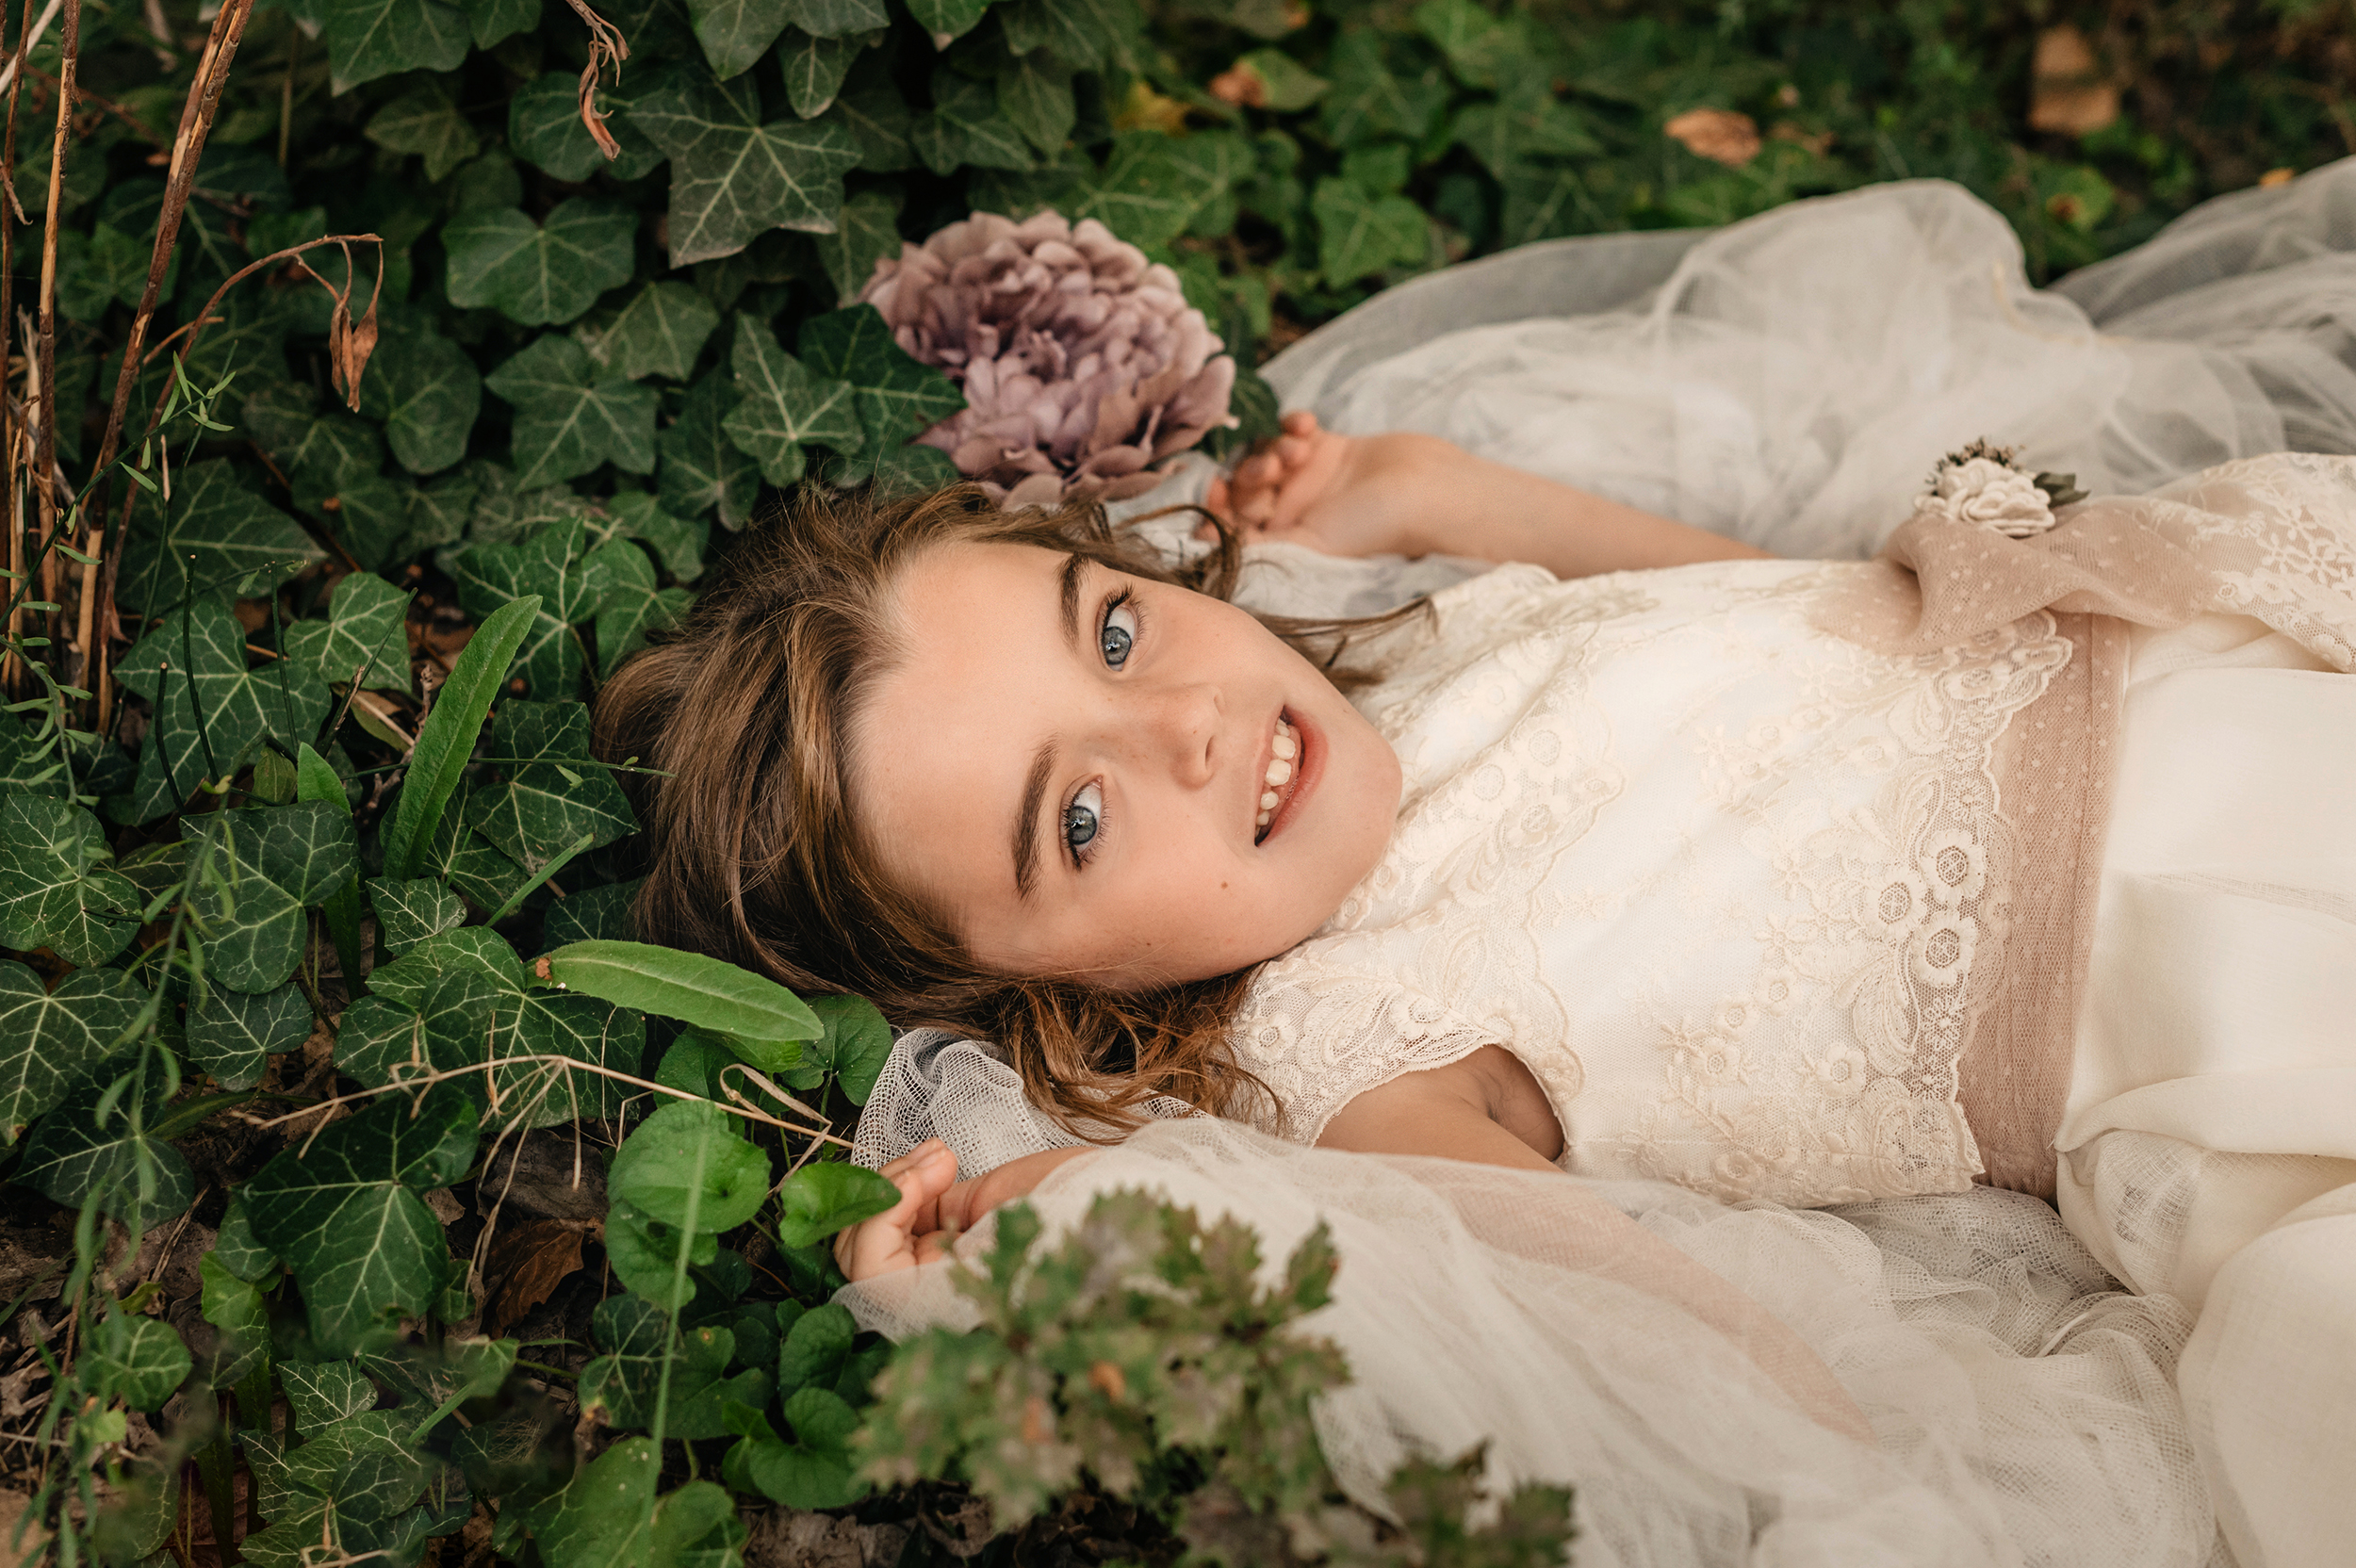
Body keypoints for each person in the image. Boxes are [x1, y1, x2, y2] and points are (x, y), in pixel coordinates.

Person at [597, 173, 2356, 1567]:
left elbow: (1781, 612)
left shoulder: (1409, 665)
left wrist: (1440, 493)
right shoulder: (1361, 1058)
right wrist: (1051, 1226)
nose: (1190, 729)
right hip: (2191, 977)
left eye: (1116, 632)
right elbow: (1690, 1331)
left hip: (2213, 666)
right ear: (1047, 987)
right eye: (1077, 819)